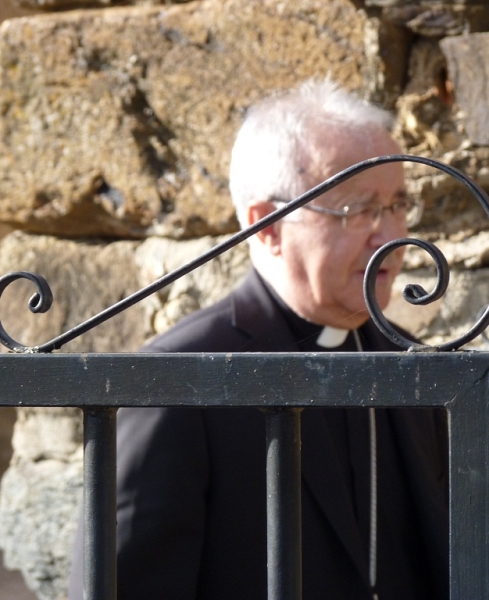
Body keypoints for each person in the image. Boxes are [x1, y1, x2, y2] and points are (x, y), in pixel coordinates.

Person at [68, 79, 448, 600]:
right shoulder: (176, 380)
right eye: (358, 209)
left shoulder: (421, 365)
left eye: (398, 205)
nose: (389, 236)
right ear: (266, 225)